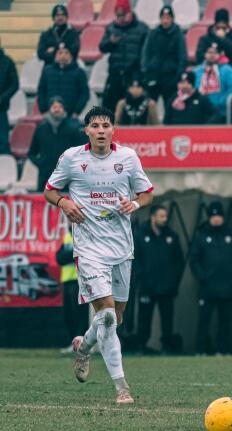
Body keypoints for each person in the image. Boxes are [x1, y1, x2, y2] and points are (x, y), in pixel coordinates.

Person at [43, 105, 155, 404]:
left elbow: (147, 194)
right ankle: (122, 388)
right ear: (87, 131)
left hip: (121, 248)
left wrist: (135, 204)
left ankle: (83, 347)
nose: (101, 130)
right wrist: (64, 203)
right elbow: (50, 190)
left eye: (106, 125)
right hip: (89, 248)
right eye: (95, 126)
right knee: (105, 315)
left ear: (113, 130)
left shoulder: (128, 158)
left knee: (115, 318)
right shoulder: (72, 158)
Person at [190, 201, 232, 355]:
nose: (216, 219)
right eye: (213, 216)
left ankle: (222, 349)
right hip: (207, 287)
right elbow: (194, 260)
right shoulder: (202, 236)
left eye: (219, 216)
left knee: (225, 320)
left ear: (223, 217)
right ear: (209, 217)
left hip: (228, 286)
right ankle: (201, 350)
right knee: (204, 320)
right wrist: (202, 277)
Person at [133, 205, 184, 354]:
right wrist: (142, 276)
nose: (165, 219)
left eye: (166, 216)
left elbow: (179, 261)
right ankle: (141, 346)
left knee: (167, 319)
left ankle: (166, 346)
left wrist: (174, 280)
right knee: (144, 318)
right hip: (147, 286)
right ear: (153, 217)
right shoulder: (140, 235)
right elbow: (135, 259)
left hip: (167, 287)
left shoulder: (172, 236)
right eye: (161, 216)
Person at [99, 0, 149, 114]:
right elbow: (102, 48)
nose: (120, 18)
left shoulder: (142, 29)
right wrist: (111, 42)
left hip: (133, 75)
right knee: (109, 108)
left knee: (132, 110)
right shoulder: (111, 28)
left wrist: (140, 76)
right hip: (115, 74)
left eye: (123, 15)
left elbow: (146, 54)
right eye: (118, 15)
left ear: (129, 13)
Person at [28, 97, 86, 191]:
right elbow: (31, 153)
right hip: (45, 177)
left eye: (60, 107)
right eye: (54, 107)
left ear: (64, 109)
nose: (57, 109)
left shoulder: (73, 129)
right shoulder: (41, 129)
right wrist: (41, 163)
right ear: (49, 109)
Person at [141, 5, 187, 105]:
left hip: (171, 77)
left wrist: (178, 76)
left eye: (168, 18)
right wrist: (146, 72)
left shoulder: (178, 34)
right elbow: (146, 53)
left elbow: (182, 56)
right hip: (154, 76)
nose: (165, 21)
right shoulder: (153, 33)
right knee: (150, 106)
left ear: (172, 19)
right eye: (163, 18)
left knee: (170, 106)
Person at [36, 44, 89, 121]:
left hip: (70, 116)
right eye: (60, 53)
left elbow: (84, 94)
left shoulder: (79, 72)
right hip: (49, 115)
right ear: (55, 55)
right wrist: (43, 110)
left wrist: (77, 112)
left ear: (71, 55)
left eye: (66, 53)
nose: (63, 56)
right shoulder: (47, 71)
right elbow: (41, 92)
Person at [56, 232, 89, 351]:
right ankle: (74, 343)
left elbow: (84, 254)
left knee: (79, 314)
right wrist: (73, 253)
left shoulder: (84, 234)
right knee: (68, 314)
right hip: (67, 280)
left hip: (80, 280)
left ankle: (81, 343)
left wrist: (70, 254)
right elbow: (59, 258)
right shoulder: (67, 236)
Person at [194, 43, 232, 122]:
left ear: (220, 54)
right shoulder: (197, 70)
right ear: (205, 54)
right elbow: (194, 89)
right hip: (200, 111)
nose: (212, 55)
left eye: (215, 53)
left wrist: (220, 103)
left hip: (221, 111)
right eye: (209, 52)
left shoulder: (227, 70)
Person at [0, 39, 20, 155]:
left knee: (3, 143)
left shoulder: (7, 62)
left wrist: (2, 98)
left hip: (1, 109)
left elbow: (14, 84)